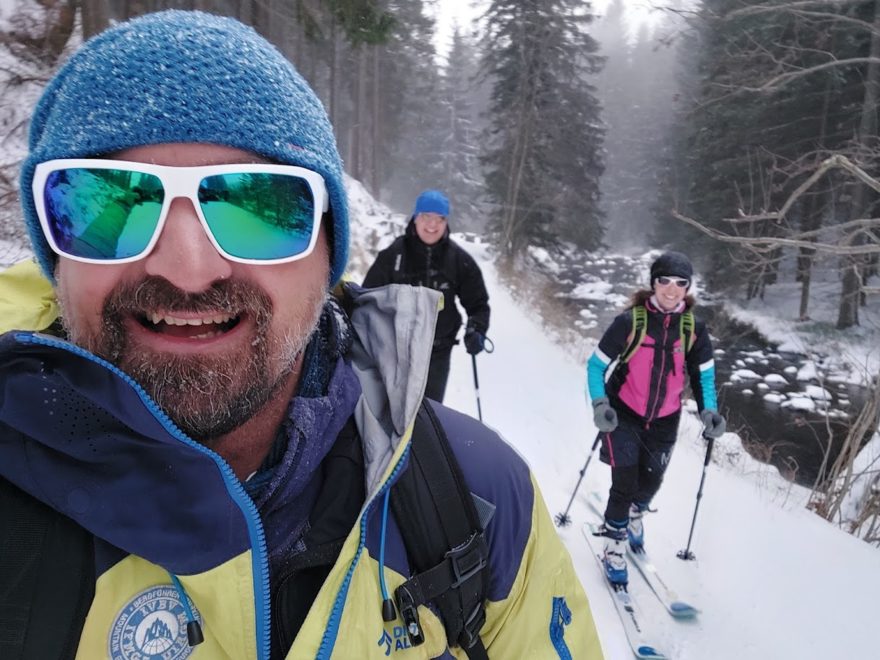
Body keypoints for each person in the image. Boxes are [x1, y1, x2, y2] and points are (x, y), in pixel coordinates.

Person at [0, 10, 603, 660]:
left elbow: (478, 296)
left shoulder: (482, 499)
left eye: (259, 207)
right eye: (107, 202)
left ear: (326, 257)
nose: (188, 267)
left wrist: (477, 327)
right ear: (55, 256)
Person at [585, 251, 726, 586]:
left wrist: (710, 411)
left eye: (681, 283)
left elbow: (704, 376)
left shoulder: (693, 329)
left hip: (665, 419)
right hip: (624, 415)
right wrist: (600, 404)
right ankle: (614, 546)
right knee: (625, 484)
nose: (672, 289)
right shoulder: (630, 322)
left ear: (688, 288)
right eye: (665, 281)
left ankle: (636, 514)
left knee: (652, 482)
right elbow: (595, 365)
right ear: (653, 283)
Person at [362, 190, 490, 402]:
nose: (432, 225)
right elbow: (367, 298)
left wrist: (477, 328)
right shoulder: (394, 255)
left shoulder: (459, 260)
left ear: (445, 221)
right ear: (415, 218)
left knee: (429, 414)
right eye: (426, 217)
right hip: (397, 352)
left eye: (439, 218)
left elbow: (478, 304)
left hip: (437, 354)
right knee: (392, 409)